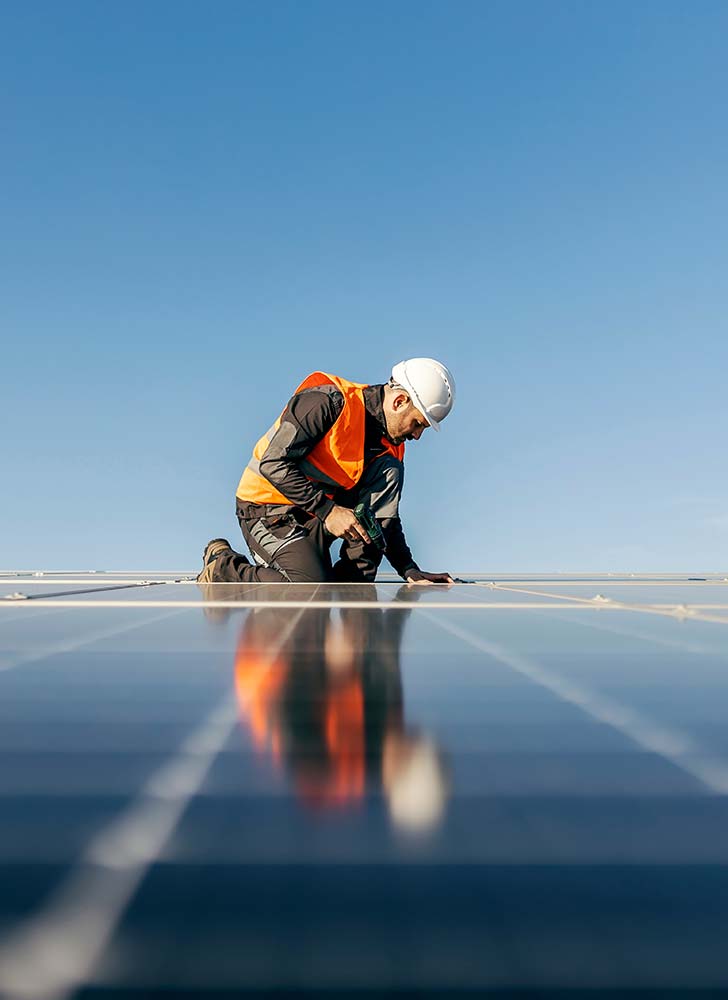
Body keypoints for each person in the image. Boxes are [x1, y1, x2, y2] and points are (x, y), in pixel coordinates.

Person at [197, 358, 456, 585]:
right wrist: (328, 511)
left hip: (318, 512)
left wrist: (408, 568)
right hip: (267, 510)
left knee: (349, 584)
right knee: (307, 588)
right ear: (400, 401)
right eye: (418, 423)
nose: (418, 435)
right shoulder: (326, 402)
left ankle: (346, 593)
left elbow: (385, 517)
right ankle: (222, 566)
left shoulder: (391, 447)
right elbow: (273, 463)